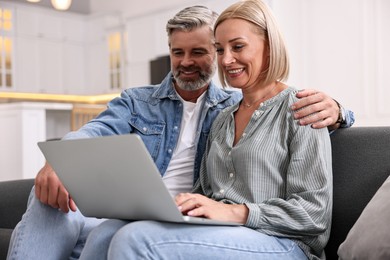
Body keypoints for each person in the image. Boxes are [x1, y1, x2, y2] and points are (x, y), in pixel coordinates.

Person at [7, 4, 350, 260]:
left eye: (206, 51)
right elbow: (97, 130)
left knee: (132, 239)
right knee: (101, 232)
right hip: (196, 221)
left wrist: (339, 112)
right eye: (220, 48)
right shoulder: (224, 115)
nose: (226, 58)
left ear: (269, 46)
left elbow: (314, 215)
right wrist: (61, 160)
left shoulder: (300, 107)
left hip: (277, 238)